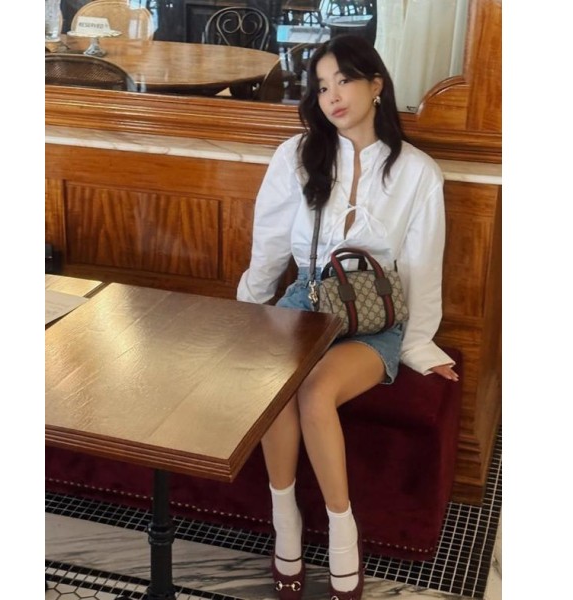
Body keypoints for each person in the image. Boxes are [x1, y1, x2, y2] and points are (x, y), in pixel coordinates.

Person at [236, 34, 459, 600]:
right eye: (321, 86)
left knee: (315, 392)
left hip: (375, 313)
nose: (332, 95)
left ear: (376, 84)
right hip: (305, 301)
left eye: (344, 80)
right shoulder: (297, 155)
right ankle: (285, 520)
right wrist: (249, 309)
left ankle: (342, 530)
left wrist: (419, 346)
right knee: (277, 385)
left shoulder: (417, 173)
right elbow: (270, 243)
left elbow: (420, 268)